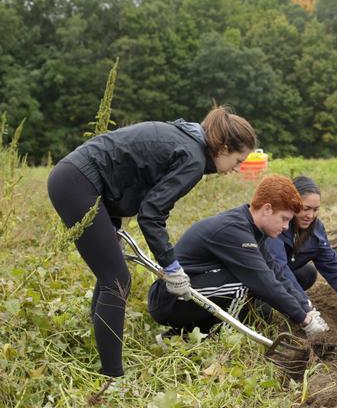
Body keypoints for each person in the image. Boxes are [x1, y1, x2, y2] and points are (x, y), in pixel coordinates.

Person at [47, 106, 256, 379]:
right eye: (238, 160)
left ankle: (98, 346)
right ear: (224, 148)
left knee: (111, 272)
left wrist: (113, 228)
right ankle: (112, 378)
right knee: (117, 280)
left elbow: (134, 173)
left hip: (82, 180)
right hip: (79, 183)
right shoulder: (193, 158)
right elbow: (151, 214)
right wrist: (171, 267)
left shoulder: (187, 139)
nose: (238, 169)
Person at [148, 174, 330, 338]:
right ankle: (220, 339)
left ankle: (180, 335)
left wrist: (306, 310)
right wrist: (304, 320)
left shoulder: (252, 229)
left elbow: (276, 272)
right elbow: (265, 282)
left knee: (262, 303)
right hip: (171, 298)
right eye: (284, 219)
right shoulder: (234, 230)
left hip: (194, 291)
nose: (285, 227)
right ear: (267, 209)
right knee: (247, 282)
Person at [265, 176, 337, 331]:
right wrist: (307, 311)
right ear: (292, 204)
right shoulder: (276, 225)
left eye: (315, 210)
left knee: (307, 273)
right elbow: (279, 270)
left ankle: (289, 302)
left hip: (283, 274)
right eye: (306, 208)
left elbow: (334, 267)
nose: (310, 215)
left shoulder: (315, 229)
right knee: (264, 312)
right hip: (259, 278)